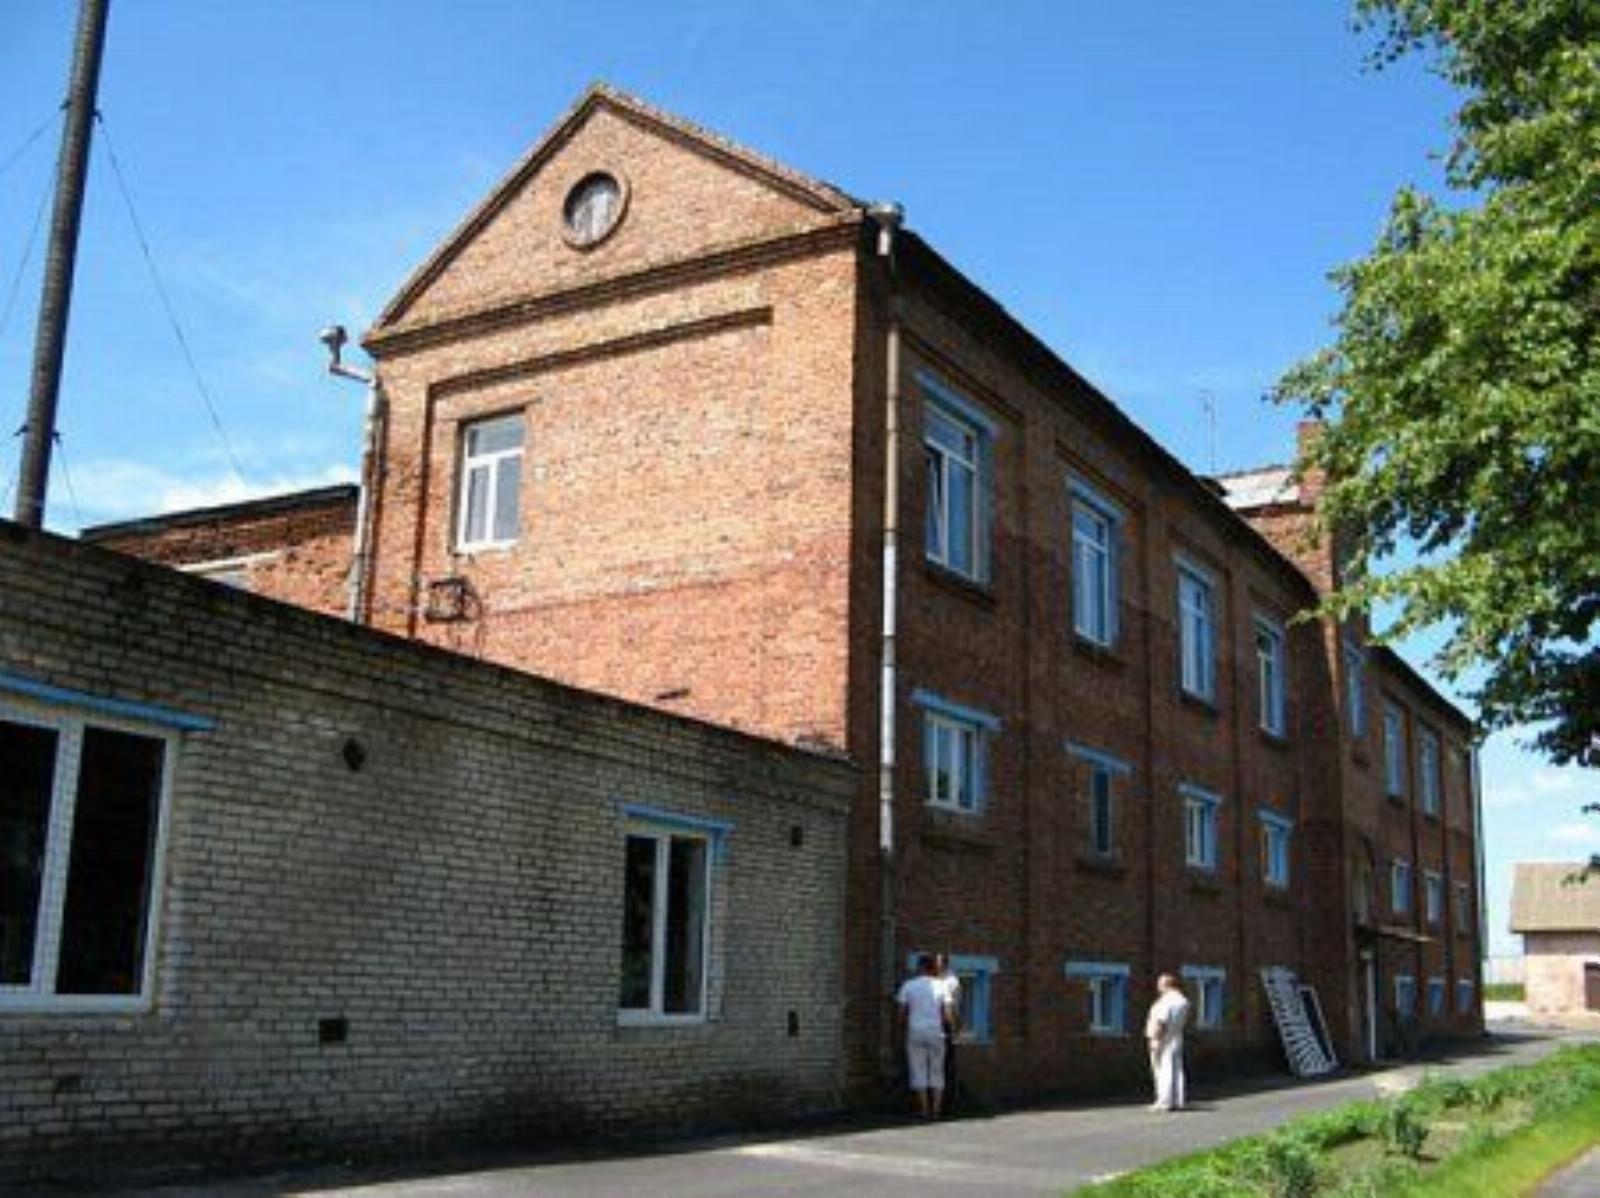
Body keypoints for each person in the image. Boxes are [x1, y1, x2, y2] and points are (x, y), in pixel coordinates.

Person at [896, 953, 951, 1118]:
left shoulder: (908, 985)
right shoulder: (942, 985)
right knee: (937, 1070)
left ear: (919, 967)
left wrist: (900, 1029)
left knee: (918, 1069)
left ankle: (924, 1109)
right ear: (932, 968)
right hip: (935, 1030)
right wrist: (951, 1029)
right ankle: (936, 1109)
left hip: (915, 1030)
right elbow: (947, 1012)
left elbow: (901, 1012)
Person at [1145, 973, 1191, 1112]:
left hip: (1164, 1038)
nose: (1158, 988)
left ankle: (1164, 1101)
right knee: (1176, 1070)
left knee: (1163, 1070)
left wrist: (1155, 1039)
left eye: (1159, 985)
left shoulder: (1167, 1001)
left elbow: (1161, 1021)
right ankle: (1177, 1100)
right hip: (1176, 1036)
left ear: (1166, 985)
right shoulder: (1183, 1000)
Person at [932, 953, 962, 1116]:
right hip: (934, 1025)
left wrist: (954, 1029)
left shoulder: (952, 981)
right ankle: (936, 1104)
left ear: (944, 964)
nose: (937, 966)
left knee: (946, 1066)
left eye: (939, 963)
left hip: (946, 1025)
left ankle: (948, 1105)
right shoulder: (936, 980)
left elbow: (953, 1008)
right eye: (936, 963)